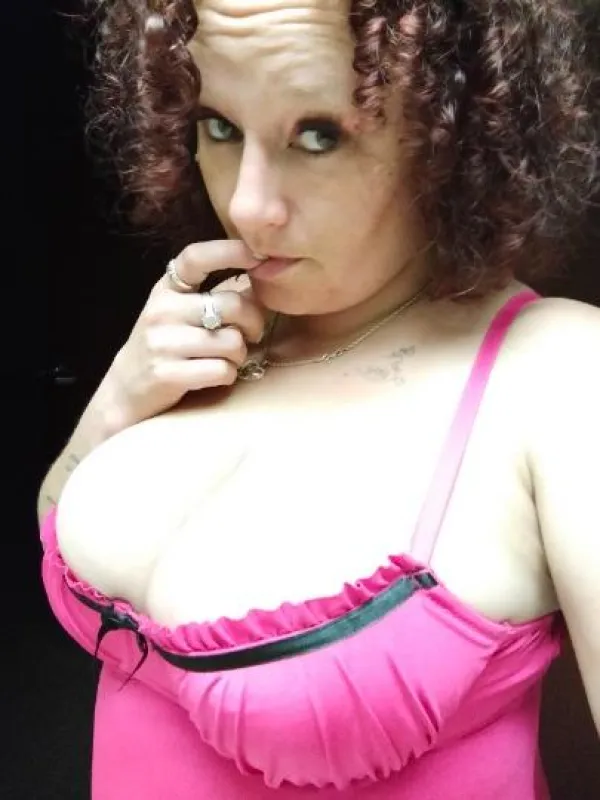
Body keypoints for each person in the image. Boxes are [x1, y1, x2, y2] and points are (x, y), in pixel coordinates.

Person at [38, 0, 599, 797]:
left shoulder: (559, 374)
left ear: (454, 134)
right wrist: (114, 403)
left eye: (318, 136)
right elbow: (55, 519)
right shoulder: (208, 328)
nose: (247, 206)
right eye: (218, 126)